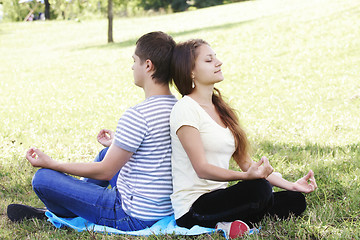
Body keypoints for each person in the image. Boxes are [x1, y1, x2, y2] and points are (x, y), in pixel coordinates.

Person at [7, 31, 177, 231]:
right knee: (107, 152)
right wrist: (118, 143)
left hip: (130, 215)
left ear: (148, 65)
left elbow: (106, 170)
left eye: (134, 61)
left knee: (43, 179)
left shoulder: (138, 114)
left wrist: (52, 163)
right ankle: (74, 202)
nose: (132, 66)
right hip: (160, 208)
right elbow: (156, 149)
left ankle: (66, 210)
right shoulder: (176, 106)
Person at [169, 39, 317, 238]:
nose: (218, 62)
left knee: (294, 200)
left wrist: (292, 185)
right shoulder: (185, 109)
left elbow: (247, 163)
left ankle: (233, 223)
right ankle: (230, 222)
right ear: (191, 72)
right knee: (260, 189)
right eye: (209, 60)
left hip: (219, 199)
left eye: (216, 58)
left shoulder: (220, 108)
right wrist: (246, 177)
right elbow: (201, 168)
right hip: (194, 208)